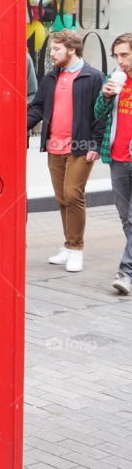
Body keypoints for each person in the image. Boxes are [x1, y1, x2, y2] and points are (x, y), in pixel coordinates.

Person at [26, 29, 105, 273]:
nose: (52, 54)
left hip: (80, 146)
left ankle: (76, 249)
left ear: (72, 49)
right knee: (61, 197)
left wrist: (96, 143)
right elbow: (37, 108)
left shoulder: (93, 77)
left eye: (56, 49)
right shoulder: (51, 77)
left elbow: (102, 112)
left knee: (73, 194)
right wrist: (15, 127)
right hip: (54, 145)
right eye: (52, 49)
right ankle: (68, 246)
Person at [93, 33, 132, 295]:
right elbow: (97, 114)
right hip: (117, 158)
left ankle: (126, 272)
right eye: (116, 55)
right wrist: (106, 97)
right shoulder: (115, 77)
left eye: (125, 55)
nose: (120, 61)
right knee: (125, 218)